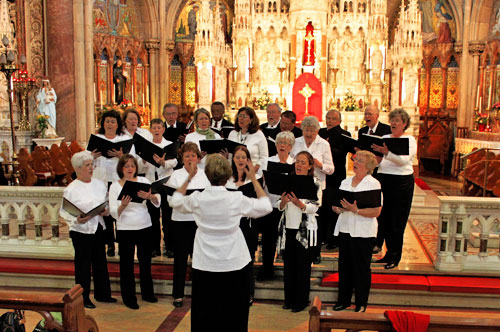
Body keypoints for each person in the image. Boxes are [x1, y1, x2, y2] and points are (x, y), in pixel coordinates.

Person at [170, 154, 272, 331]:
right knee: (234, 312)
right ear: (227, 176)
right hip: (234, 261)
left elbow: (175, 201)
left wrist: (188, 177)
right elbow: (266, 206)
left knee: (205, 312)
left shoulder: (198, 198)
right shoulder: (236, 198)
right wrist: (254, 180)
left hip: (205, 263)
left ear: (207, 175)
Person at [59, 151, 116, 309]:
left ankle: (103, 294)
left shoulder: (99, 184)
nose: (91, 168)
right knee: (83, 266)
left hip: (97, 227)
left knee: (100, 262)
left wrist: (106, 211)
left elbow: (106, 203)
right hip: (81, 231)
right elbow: (63, 211)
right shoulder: (71, 189)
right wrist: (76, 219)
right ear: (78, 168)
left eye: (92, 165)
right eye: (87, 165)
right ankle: (83, 298)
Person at [332, 151, 382, 313]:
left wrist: (356, 210)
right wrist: (337, 208)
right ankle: (343, 301)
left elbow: (376, 212)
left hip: (363, 232)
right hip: (345, 228)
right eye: (355, 159)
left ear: (368, 167)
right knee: (344, 267)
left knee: (361, 268)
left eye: (360, 161)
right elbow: (338, 205)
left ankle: (361, 302)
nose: (355, 162)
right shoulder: (345, 182)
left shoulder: (373, 184)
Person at [109, 154, 160, 309]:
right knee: (127, 265)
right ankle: (129, 297)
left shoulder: (143, 181)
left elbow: (157, 200)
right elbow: (113, 212)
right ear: (121, 169)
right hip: (126, 228)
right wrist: (123, 205)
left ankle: (147, 293)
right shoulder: (115, 186)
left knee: (145, 262)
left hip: (144, 225)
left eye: (132, 166)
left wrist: (149, 196)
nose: (130, 169)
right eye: (126, 166)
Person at [166, 142, 210, 308]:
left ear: (198, 158)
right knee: (180, 260)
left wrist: (190, 201)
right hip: (180, 222)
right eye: (187, 156)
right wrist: (191, 201)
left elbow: (209, 197)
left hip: (199, 223)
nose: (190, 158)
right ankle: (178, 295)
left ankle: (200, 294)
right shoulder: (176, 175)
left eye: (193, 155)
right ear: (181, 158)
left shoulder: (205, 175)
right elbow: (171, 200)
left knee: (200, 259)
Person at [372, 108, 416, 270]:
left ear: (404, 124)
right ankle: (387, 254)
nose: (393, 123)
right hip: (384, 179)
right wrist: (373, 157)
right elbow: (379, 163)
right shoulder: (384, 138)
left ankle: (395, 256)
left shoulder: (410, 140)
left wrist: (386, 152)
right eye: (392, 120)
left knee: (397, 221)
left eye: (397, 121)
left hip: (402, 182)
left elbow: (403, 161)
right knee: (384, 218)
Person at [278, 151, 321, 313]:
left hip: (304, 232)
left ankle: (301, 302)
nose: (299, 165)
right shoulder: (287, 180)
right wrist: (283, 202)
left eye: (303, 162)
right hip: (288, 229)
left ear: (310, 166)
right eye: (297, 162)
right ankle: (289, 300)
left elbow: (316, 206)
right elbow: (278, 205)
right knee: (289, 267)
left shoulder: (315, 182)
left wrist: (299, 204)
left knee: (302, 268)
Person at [290, 115, 334, 264]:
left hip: (317, 185)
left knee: (315, 220)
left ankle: (315, 252)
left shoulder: (323, 144)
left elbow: (331, 169)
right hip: (298, 183)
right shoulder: (296, 142)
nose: (308, 134)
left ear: (317, 131)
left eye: (312, 131)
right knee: (298, 218)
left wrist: (319, 164)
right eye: (306, 130)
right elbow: (291, 161)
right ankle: (298, 247)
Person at [256, 131, 295, 280]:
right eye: (279, 143)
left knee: (287, 239)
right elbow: (260, 182)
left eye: (285, 143)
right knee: (268, 239)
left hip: (288, 206)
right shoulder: (267, 161)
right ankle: (267, 269)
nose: (282, 146)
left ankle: (289, 272)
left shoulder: (294, 163)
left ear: (290, 147)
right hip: (270, 205)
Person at [226, 145, 261, 304]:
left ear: (248, 160)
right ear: (233, 159)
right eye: (237, 157)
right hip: (230, 226)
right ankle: (232, 292)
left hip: (248, 225)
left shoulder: (255, 178)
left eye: (243, 158)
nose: (240, 160)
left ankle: (248, 293)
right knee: (230, 259)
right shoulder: (226, 179)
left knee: (247, 261)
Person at [91, 110, 129, 257]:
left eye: (113, 121)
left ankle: (121, 242)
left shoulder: (124, 138)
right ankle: (110, 244)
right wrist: (92, 156)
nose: (110, 124)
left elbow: (131, 161)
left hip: (118, 179)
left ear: (118, 124)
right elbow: (86, 159)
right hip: (101, 179)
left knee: (119, 210)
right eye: (107, 121)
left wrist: (121, 156)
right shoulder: (97, 138)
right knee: (105, 212)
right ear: (103, 123)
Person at [144, 118, 178, 257]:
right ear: (151, 129)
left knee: (168, 218)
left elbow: (175, 162)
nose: (157, 130)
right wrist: (144, 160)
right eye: (154, 127)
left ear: (163, 129)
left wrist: (163, 163)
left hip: (166, 184)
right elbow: (139, 165)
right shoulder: (146, 145)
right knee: (152, 218)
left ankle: (169, 247)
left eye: (159, 127)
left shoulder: (169, 144)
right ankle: (154, 248)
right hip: (151, 183)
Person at [318, 109, 351, 249]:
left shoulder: (345, 134)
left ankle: (334, 238)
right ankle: (323, 236)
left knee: (333, 207)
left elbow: (342, 153)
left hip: (336, 175)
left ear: (339, 120)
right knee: (322, 206)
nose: (330, 120)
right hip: (321, 173)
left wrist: (327, 147)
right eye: (328, 118)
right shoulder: (321, 133)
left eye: (333, 118)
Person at [229, 107, 268, 171]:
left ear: (251, 120)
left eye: (244, 116)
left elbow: (264, 157)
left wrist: (253, 170)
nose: (241, 119)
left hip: (253, 171)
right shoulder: (233, 133)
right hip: (235, 172)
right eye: (240, 116)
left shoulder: (258, 134)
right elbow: (230, 156)